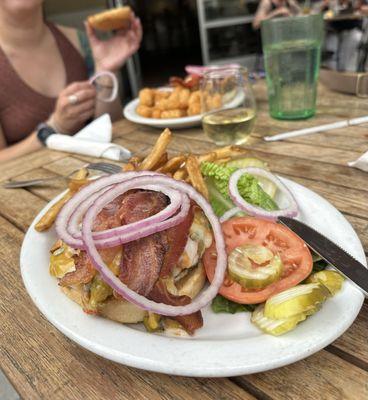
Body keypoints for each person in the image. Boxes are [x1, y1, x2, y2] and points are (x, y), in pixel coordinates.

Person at [0, 0, 142, 163]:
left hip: (95, 175)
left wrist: (106, 70)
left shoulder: (79, 41)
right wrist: (54, 128)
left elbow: (111, 126)